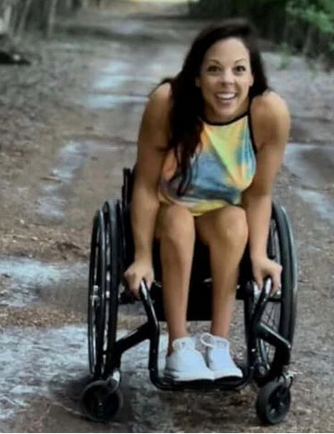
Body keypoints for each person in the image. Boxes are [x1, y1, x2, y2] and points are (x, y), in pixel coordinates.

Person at [124, 20, 290, 382]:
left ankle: (219, 344)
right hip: (169, 214)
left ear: (252, 78)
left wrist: (260, 255)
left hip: (219, 219)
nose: (227, 81)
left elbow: (258, 193)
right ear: (197, 77)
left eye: (238, 70)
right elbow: (146, 185)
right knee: (179, 218)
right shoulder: (167, 104)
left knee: (234, 219)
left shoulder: (269, 113)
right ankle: (179, 346)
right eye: (214, 69)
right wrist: (141, 257)